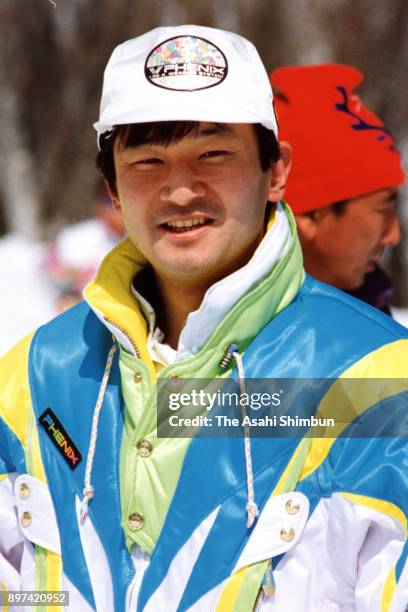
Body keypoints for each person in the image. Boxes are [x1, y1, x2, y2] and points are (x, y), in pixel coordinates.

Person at [0, 25, 407, 611]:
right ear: (111, 187)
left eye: (213, 154)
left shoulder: (381, 381)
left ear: (277, 172)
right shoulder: (34, 378)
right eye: (146, 160)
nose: (181, 190)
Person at [270, 63, 405, 314]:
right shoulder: (236, 339)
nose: (393, 234)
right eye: (381, 208)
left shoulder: (372, 313)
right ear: (309, 216)